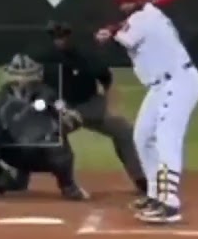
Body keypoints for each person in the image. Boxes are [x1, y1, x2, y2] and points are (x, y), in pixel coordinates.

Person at [94, 0, 198, 224]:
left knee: (166, 138)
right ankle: (155, 194)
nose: (124, 5)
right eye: (122, 1)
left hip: (178, 83)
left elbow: (124, 37)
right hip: (160, 86)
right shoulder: (142, 17)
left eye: (128, 0)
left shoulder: (146, 20)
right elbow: (124, 31)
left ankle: (169, 203)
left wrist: (111, 31)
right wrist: (115, 29)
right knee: (142, 136)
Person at [31, 20, 148, 196]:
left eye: (63, 36)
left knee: (123, 130)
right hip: (62, 110)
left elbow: (106, 79)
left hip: (90, 108)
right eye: (55, 36)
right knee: (46, 133)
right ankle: (66, 184)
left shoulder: (86, 57)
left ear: (70, 36)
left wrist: (109, 105)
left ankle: (141, 180)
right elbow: (35, 87)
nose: (59, 40)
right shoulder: (44, 59)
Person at [0, 53, 90, 200]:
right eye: (17, 75)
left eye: (26, 75)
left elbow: (73, 117)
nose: (21, 80)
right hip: (13, 153)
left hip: (42, 154)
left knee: (55, 137)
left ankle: (68, 186)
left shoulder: (49, 95)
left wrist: (65, 121)